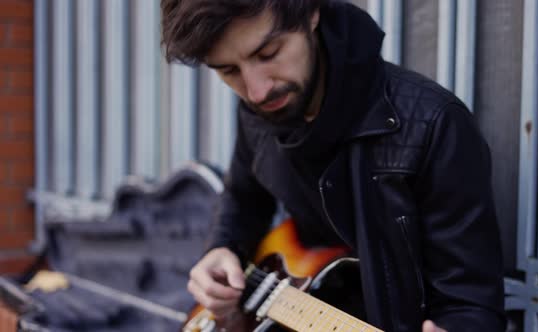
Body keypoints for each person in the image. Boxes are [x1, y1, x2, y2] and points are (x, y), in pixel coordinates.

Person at [161, 0, 506, 331]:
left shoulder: (435, 124)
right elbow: (243, 195)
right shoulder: (262, 107)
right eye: (229, 70)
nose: (256, 91)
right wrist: (222, 248)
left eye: (268, 53)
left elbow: (470, 302)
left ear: (311, 13)